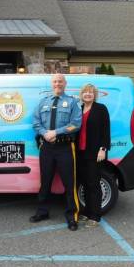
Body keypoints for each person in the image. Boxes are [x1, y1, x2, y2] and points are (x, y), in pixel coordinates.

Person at [30, 74, 82, 231]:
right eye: (55, 81)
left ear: (65, 84)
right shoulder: (43, 102)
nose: (57, 84)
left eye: (60, 81)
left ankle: (72, 216)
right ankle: (42, 211)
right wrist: (45, 133)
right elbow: (35, 122)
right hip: (46, 147)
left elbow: (76, 124)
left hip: (65, 147)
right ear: (51, 84)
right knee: (45, 182)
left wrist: (56, 132)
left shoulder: (72, 102)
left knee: (69, 183)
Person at [76, 83, 111, 228]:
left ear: (94, 95)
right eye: (85, 92)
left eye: (90, 92)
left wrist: (103, 149)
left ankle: (95, 216)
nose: (88, 94)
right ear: (81, 95)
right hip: (80, 152)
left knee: (93, 184)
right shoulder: (80, 109)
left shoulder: (100, 109)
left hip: (95, 153)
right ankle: (86, 212)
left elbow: (106, 130)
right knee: (84, 183)